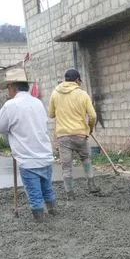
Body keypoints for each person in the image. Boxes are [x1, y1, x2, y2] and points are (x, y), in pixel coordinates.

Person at [0, 68, 56, 221]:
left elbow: (0, 127)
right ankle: (53, 211)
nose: (7, 91)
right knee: (47, 188)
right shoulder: (38, 103)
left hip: (28, 158)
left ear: (12, 87)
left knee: (34, 193)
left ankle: (40, 219)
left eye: (8, 87)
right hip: (44, 154)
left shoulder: (10, 106)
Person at [48, 68, 98, 197]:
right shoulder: (83, 94)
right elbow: (92, 116)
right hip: (81, 134)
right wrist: (90, 128)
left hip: (63, 136)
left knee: (66, 165)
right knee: (86, 159)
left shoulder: (55, 93)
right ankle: (91, 186)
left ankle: (69, 192)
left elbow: (51, 114)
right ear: (77, 80)